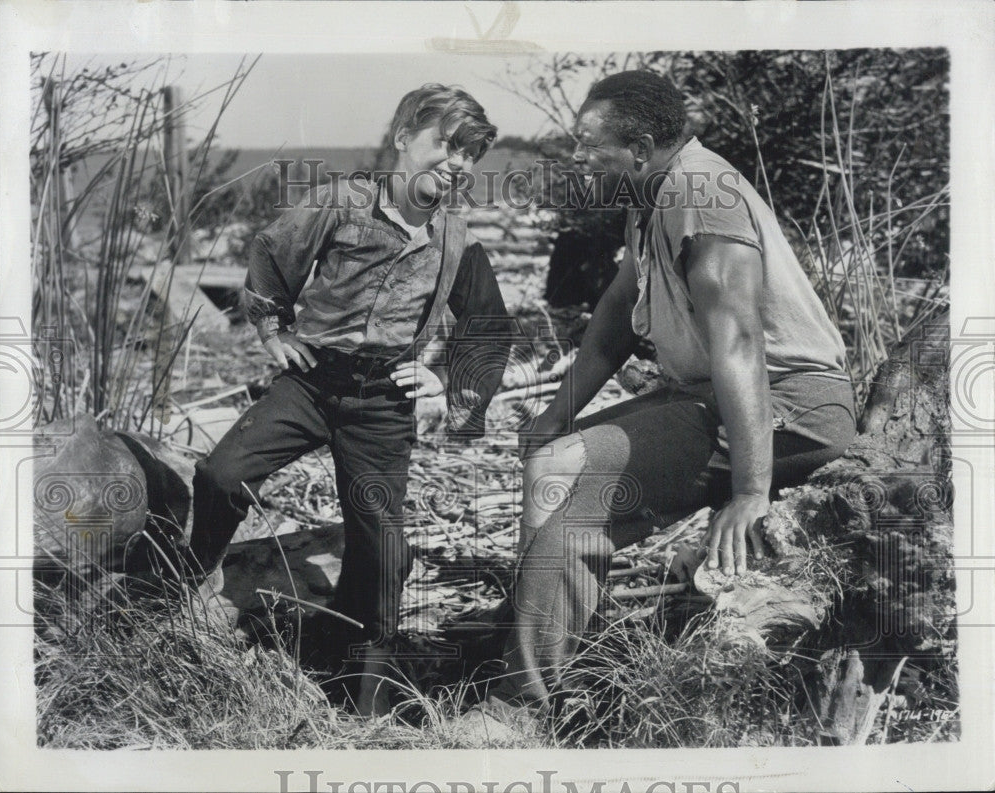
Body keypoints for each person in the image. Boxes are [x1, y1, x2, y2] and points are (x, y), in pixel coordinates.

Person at [473, 70, 857, 731]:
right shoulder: (653, 195)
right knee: (548, 460)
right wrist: (554, 414)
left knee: (568, 492)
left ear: (644, 146)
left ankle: (523, 714)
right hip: (711, 397)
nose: (579, 156)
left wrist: (750, 488)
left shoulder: (700, 195)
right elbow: (619, 311)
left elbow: (738, 341)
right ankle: (565, 668)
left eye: (592, 145)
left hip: (788, 404)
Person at [185, 84, 510, 716]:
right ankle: (187, 583)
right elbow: (271, 252)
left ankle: (362, 698)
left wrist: (449, 387)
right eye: (443, 143)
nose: (455, 163)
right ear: (402, 138)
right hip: (311, 382)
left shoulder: (457, 240)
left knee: (383, 549)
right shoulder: (341, 203)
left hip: (383, 402)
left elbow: (488, 327)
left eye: (470, 154)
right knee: (221, 473)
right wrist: (273, 330)